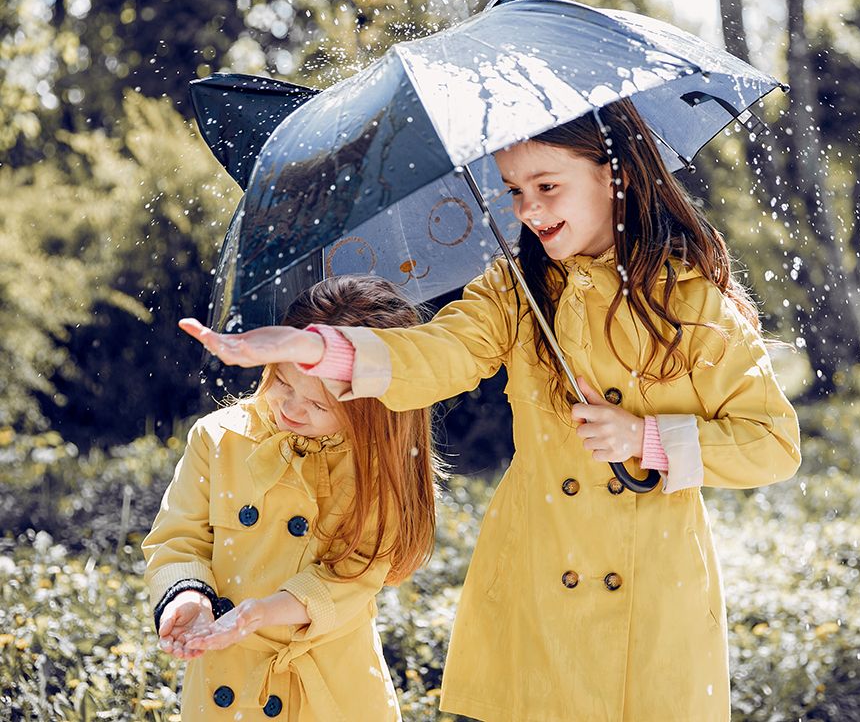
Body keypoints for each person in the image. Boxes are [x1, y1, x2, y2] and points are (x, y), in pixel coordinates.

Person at [180, 97, 801, 722]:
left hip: (656, 589)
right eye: (513, 190)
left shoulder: (691, 298)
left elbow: (772, 441)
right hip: (540, 570)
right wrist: (312, 346)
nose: (529, 209)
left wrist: (647, 438)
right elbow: (436, 352)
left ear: (616, 175)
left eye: (547, 185)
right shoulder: (514, 290)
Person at [145, 275, 439, 721]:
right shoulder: (218, 438)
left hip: (330, 692)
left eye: (319, 405)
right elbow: (176, 539)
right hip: (229, 680)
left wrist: (261, 613)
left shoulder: (377, 469)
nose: (291, 408)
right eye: (283, 382)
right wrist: (189, 597)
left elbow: (352, 576)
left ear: (370, 408)